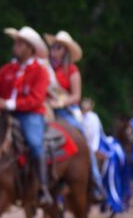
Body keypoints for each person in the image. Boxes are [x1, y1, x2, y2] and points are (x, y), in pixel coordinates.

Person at [0, 26, 53, 206]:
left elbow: (36, 99)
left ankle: (43, 188)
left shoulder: (40, 71)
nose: (16, 46)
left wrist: (9, 104)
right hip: (4, 114)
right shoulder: (7, 69)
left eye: (20, 43)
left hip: (30, 115)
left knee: (35, 144)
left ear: (30, 48)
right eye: (16, 42)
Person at [45, 30, 105, 202]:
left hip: (65, 112)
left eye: (58, 47)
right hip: (46, 110)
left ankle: (95, 182)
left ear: (65, 51)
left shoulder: (72, 70)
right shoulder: (45, 69)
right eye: (53, 47)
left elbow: (76, 96)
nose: (53, 51)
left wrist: (60, 103)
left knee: (83, 139)